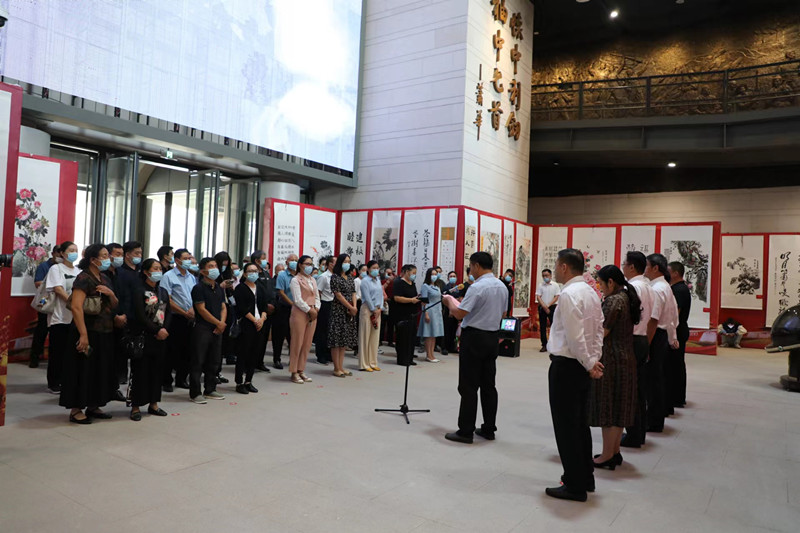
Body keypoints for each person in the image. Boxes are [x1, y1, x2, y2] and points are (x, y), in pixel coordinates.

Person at [544, 249, 604, 502]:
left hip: (568, 365)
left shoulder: (569, 294)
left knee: (567, 426)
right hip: (581, 365)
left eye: (556, 265)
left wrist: (590, 362)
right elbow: (598, 329)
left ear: (564, 267)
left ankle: (574, 484)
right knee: (579, 424)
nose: (555, 270)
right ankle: (585, 476)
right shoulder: (591, 292)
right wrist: (594, 358)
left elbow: (574, 335)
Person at [441, 251, 508, 444]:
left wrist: (449, 302)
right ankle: (489, 428)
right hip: (492, 337)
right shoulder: (501, 286)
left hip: (474, 337)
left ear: (477, 265)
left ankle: (465, 431)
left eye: (470, 266)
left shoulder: (477, 287)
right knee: (488, 385)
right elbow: (503, 313)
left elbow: (460, 313)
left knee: (468, 385)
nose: (470, 270)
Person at [60, 244, 118, 424]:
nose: (108, 259)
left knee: (99, 370)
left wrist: (111, 294)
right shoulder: (83, 278)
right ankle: (76, 410)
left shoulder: (105, 278)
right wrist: (83, 335)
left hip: (104, 330)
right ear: (93, 260)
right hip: (87, 330)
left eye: (108, 255)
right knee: (82, 370)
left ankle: (94, 405)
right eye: (104, 256)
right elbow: (76, 307)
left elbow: (114, 304)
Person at [590, 265, 641, 470]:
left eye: (601, 284)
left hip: (611, 360)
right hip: (626, 357)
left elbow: (602, 332)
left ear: (610, 282)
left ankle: (607, 455)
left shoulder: (613, 301)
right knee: (620, 407)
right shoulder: (627, 297)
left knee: (608, 407)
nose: (600, 288)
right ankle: (615, 451)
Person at [620, 251, 655, 449]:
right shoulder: (648, 286)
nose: (623, 267)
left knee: (629, 389)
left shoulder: (632, 287)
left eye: (624, 264)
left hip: (631, 339)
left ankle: (633, 434)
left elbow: (626, 317)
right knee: (639, 389)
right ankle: (638, 432)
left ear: (632, 267)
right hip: (641, 338)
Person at [128, 258, 171, 421]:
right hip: (144, 335)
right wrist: (156, 330)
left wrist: (164, 329)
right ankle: (136, 406)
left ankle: (154, 404)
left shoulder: (162, 291)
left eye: (160, 268)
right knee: (141, 372)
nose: (158, 271)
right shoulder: (139, 290)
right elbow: (140, 315)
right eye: (155, 268)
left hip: (160, 337)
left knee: (157, 371)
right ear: (146, 272)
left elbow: (168, 312)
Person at [645, 253, 679, 434]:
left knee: (653, 380)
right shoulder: (665, 286)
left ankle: (654, 420)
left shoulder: (658, 289)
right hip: (662, 335)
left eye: (646, 265)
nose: (644, 269)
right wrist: (672, 337)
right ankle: (657, 417)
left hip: (656, 335)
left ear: (655, 268)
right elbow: (673, 318)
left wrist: (647, 344)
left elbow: (653, 320)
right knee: (657, 378)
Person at [44, 241, 81, 394]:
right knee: (57, 352)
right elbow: (58, 289)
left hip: (75, 317)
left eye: (76, 250)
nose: (74, 253)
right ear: (62, 253)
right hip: (60, 316)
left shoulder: (79, 271)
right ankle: (54, 382)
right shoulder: (56, 268)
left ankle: (67, 380)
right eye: (71, 250)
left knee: (71, 353)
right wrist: (73, 303)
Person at [188, 257, 227, 403]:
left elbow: (223, 307)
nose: (215, 268)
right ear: (203, 271)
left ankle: (210, 389)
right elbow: (201, 310)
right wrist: (218, 323)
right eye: (211, 266)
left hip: (217, 328)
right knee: (198, 360)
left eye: (215, 265)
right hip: (202, 328)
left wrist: (221, 323)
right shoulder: (198, 288)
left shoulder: (218, 287)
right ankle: (195, 393)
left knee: (214, 360)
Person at [160, 248, 197, 391]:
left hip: (190, 317)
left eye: (189, 258)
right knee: (171, 351)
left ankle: (181, 379)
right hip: (175, 317)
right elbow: (167, 299)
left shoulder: (191, 277)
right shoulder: (168, 276)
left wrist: (192, 309)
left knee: (187, 350)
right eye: (186, 258)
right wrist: (184, 312)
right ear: (177, 260)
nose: (189, 261)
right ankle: (166, 381)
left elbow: (195, 295)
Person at [112, 240, 143, 396]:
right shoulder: (120, 272)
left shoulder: (141, 271)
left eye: (140, 253)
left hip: (140, 316)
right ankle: (118, 380)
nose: (139, 256)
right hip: (125, 315)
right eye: (136, 253)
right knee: (120, 351)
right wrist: (121, 314)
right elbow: (120, 296)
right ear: (128, 255)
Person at [233, 263, 268, 394]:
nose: (253, 273)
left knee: (255, 353)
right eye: (250, 271)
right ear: (245, 273)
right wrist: (254, 321)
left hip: (260, 324)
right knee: (243, 353)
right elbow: (241, 308)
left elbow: (264, 306)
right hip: (247, 324)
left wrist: (262, 319)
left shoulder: (260, 287)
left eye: (255, 271)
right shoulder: (240, 288)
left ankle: (249, 381)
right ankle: (239, 382)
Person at [288, 255, 321, 384]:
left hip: (313, 313)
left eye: (311, 264)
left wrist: (316, 308)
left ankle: (301, 369)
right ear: (300, 265)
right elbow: (297, 299)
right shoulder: (295, 280)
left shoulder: (312, 279)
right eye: (307, 264)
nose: (309, 266)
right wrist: (309, 310)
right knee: (297, 343)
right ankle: (294, 371)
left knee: (307, 343)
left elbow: (317, 296)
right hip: (300, 312)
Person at [30, 245, 61, 368]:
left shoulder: (64, 267)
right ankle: (34, 357)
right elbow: (38, 283)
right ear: (53, 254)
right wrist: (54, 284)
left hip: (59, 301)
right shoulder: (44, 266)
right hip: (45, 298)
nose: (60, 257)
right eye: (58, 254)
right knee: (41, 330)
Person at [329, 253, 358, 377]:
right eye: (345, 261)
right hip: (338, 311)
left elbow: (353, 293)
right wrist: (350, 307)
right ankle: (336, 368)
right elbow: (338, 295)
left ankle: (341, 366)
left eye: (349, 261)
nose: (347, 264)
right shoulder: (335, 277)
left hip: (349, 312)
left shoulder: (350, 277)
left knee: (344, 341)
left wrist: (354, 307)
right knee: (336, 340)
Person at [668, 261, 691, 409]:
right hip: (679, 329)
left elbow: (675, 314)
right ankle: (677, 396)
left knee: (675, 365)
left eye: (668, 271)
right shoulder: (679, 288)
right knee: (676, 364)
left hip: (678, 330)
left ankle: (677, 397)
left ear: (676, 273)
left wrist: (671, 333)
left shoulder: (679, 290)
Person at [391, 265, 421, 366]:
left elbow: (414, 295)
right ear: (407, 272)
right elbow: (397, 298)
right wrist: (411, 300)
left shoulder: (412, 283)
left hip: (412, 313)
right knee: (403, 337)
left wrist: (418, 299)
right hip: (402, 314)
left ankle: (410, 358)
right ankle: (402, 359)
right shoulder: (399, 282)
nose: (414, 275)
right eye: (413, 273)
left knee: (411, 337)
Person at [250, 250, 274, 373]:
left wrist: (272, 304)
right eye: (263, 258)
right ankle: (250, 363)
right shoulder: (252, 275)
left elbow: (272, 290)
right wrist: (264, 305)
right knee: (254, 339)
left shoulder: (266, 273)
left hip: (268, 311)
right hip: (257, 310)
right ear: (256, 260)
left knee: (263, 339)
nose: (265, 261)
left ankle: (260, 362)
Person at [273, 253, 298, 369]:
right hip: (284, 308)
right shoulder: (282, 275)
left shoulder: (300, 275)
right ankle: (277, 359)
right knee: (279, 335)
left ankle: (293, 359)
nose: (294, 262)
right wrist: (292, 304)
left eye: (296, 260)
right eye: (292, 260)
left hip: (298, 309)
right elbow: (281, 292)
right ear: (287, 262)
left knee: (294, 336)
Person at [359, 260, 384, 372]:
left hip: (377, 310)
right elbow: (367, 297)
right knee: (365, 336)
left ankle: (373, 362)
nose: (376, 270)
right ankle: (364, 364)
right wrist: (373, 309)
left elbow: (381, 295)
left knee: (375, 336)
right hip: (367, 309)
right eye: (373, 268)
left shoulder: (378, 280)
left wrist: (380, 308)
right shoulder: (365, 281)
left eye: (377, 268)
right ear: (368, 269)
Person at [214, 251, 235, 382]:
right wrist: (220, 286)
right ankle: (212, 372)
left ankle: (218, 371)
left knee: (224, 342)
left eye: (227, 263)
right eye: (223, 262)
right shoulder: (213, 276)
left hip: (227, 307)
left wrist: (229, 287)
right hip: (216, 309)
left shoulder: (226, 274)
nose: (225, 265)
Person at [418, 268, 444, 363]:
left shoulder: (437, 287)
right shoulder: (425, 286)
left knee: (434, 334)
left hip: (437, 312)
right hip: (429, 311)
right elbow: (424, 302)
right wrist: (426, 313)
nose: (434, 276)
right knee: (429, 334)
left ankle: (432, 354)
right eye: (432, 274)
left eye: (435, 274)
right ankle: (428, 355)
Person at [313, 255, 335, 365]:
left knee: (331, 331)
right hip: (325, 304)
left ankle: (328, 354)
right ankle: (320, 355)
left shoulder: (337, 276)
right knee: (322, 331)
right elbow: (318, 292)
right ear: (330, 264)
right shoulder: (323, 277)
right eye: (334, 262)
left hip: (334, 305)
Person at [536, 269, 560, 353]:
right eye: (543, 276)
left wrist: (548, 305)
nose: (545, 277)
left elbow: (556, 296)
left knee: (553, 326)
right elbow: (538, 296)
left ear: (550, 276)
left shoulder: (555, 285)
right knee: (542, 327)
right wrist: (544, 306)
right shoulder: (540, 285)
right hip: (542, 307)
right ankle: (544, 345)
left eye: (546, 275)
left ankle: (553, 344)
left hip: (552, 307)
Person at [442, 271, 460, 354]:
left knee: (453, 329)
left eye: (454, 276)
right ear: (448, 278)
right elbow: (445, 299)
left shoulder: (458, 288)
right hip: (447, 311)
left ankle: (451, 347)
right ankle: (444, 347)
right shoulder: (446, 288)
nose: (453, 278)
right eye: (451, 276)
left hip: (456, 311)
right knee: (447, 330)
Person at [381, 267, 396, 347]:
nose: (389, 275)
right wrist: (388, 281)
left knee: (391, 323)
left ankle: (390, 340)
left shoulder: (395, 282)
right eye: (388, 273)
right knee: (382, 323)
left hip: (392, 303)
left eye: (390, 273)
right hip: (384, 302)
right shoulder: (382, 281)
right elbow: (382, 289)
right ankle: (380, 340)